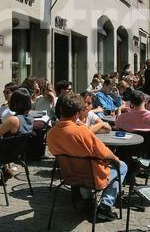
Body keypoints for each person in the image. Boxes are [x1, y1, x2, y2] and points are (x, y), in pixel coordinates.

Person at [47, 93, 127, 222]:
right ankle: (105, 207)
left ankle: (88, 201)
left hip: (70, 176)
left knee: (82, 166)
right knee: (122, 166)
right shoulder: (83, 132)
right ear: (78, 113)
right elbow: (106, 154)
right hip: (92, 178)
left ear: (61, 110)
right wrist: (116, 160)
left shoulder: (51, 133)